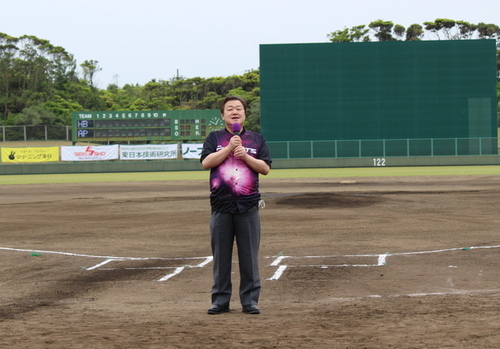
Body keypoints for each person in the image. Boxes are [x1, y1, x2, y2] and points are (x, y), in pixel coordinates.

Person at [200, 95, 272, 315]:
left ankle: (249, 301)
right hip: (221, 206)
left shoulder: (257, 139)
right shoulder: (214, 138)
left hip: (248, 206)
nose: (234, 112)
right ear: (222, 115)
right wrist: (228, 148)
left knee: (249, 256)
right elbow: (206, 163)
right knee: (221, 258)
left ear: (244, 114)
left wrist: (246, 157)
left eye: (238, 108)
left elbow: (265, 168)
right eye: (229, 109)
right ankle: (220, 301)